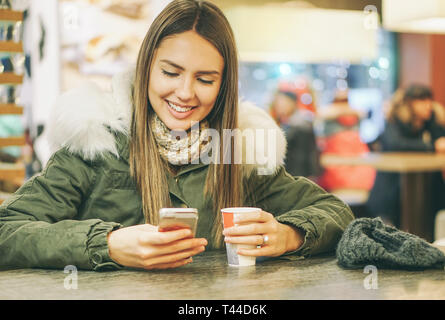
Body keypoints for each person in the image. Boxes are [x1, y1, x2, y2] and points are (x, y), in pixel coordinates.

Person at [0, 0, 353, 271]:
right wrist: (105, 244)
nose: (185, 93)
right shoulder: (98, 141)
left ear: (223, 87)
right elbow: (6, 232)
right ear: (146, 68)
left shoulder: (238, 150)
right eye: (171, 72)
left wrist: (289, 234)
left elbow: (336, 213)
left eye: (205, 79)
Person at [366, 84, 445, 227]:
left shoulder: (433, 123)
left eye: (429, 100)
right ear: (408, 103)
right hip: (395, 186)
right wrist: (432, 146)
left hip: (429, 187)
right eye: (421, 100)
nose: (428, 105)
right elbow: (396, 144)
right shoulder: (394, 122)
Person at [269, 83, 321, 180]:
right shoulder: (288, 122)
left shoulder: (301, 123)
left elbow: (303, 155)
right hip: (296, 175)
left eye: (282, 102)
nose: (278, 106)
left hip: (299, 176)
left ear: (292, 103)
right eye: (277, 103)